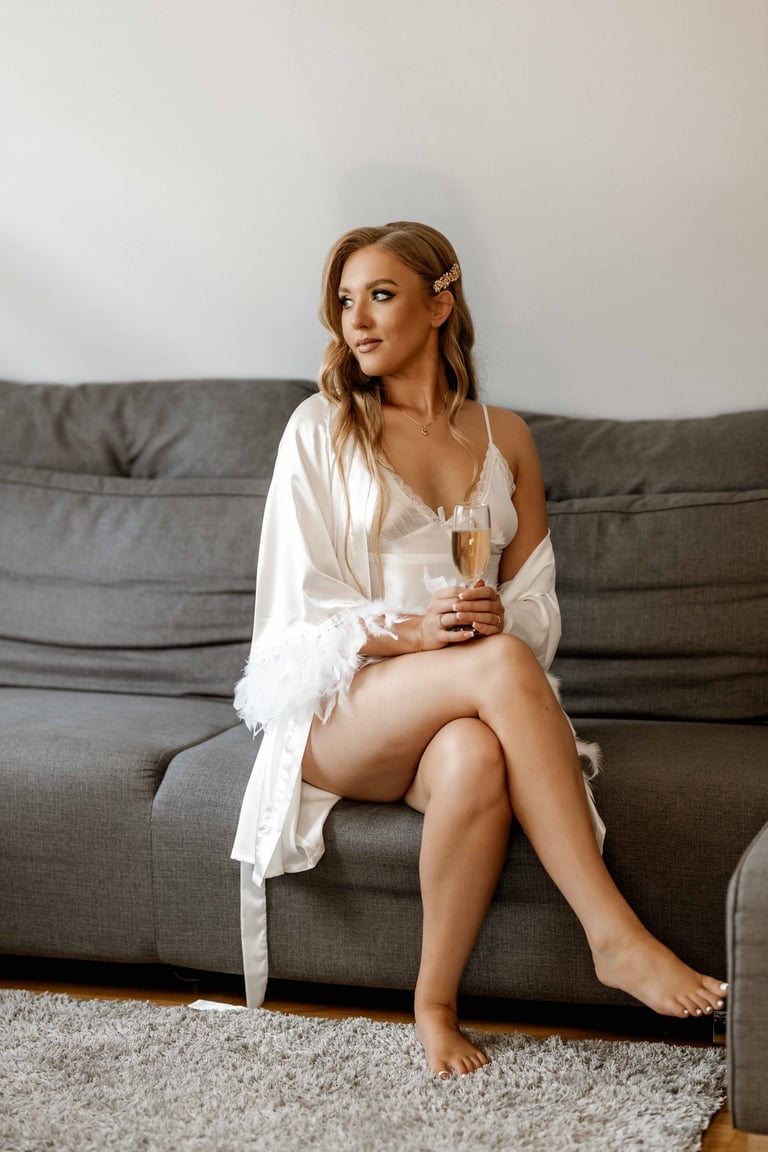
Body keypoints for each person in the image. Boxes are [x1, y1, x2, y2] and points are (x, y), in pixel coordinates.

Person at [233, 220, 728, 1080]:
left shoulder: (505, 438)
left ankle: (433, 1005)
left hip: (456, 704)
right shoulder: (320, 428)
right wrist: (414, 633)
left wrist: (496, 619)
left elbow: (535, 604)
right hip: (347, 708)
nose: (357, 320)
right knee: (496, 670)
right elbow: (295, 615)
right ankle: (613, 936)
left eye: (380, 295)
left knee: (473, 756)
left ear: (440, 304)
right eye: (345, 301)